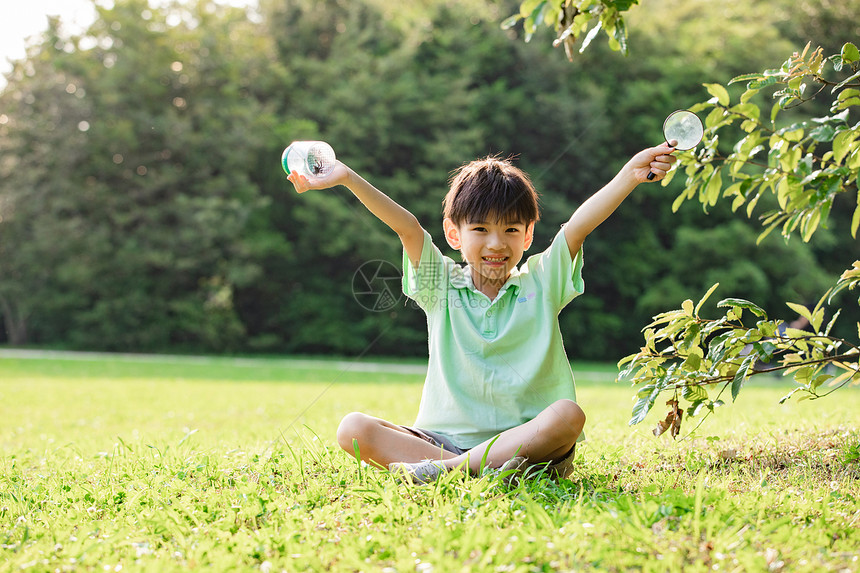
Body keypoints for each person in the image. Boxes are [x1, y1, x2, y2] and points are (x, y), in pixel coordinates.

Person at [287, 142, 677, 484]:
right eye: (480, 229)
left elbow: (578, 227)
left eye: (510, 230)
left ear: (527, 236)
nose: (496, 243)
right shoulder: (440, 285)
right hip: (441, 442)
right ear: (454, 234)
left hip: (529, 447)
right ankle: (463, 467)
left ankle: (447, 472)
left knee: (567, 416)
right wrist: (347, 177)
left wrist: (630, 174)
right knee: (353, 428)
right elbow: (407, 227)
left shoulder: (542, 281)